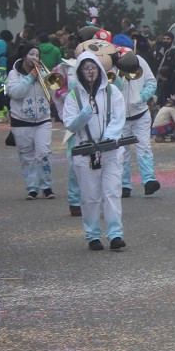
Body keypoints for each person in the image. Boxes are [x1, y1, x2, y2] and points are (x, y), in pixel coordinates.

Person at [62, 52, 127, 251]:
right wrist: (84, 115)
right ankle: (92, 235)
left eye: (93, 67)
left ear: (99, 69)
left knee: (112, 192)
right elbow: (70, 125)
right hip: (85, 151)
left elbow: (118, 117)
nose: (90, 71)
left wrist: (109, 137)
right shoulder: (73, 96)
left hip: (110, 149)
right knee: (90, 196)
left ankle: (115, 234)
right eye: (86, 68)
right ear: (80, 72)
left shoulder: (112, 91)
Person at [6, 46, 55, 200]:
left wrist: (43, 77)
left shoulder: (43, 72)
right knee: (27, 157)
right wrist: (30, 78)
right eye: (31, 54)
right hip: (21, 121)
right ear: (24, 56)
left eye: (37, 55)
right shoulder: (14, 74)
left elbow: (53, 89)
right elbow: (15, 93)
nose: (35, 57)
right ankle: (32, 188)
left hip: (43, 120)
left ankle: (47, 186)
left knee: (43, 153)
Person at [116, 53, 160, 198]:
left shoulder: (140, 60)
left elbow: (151, 82)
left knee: (144, 147)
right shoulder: (112, 65)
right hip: (120, 116)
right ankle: (124, 184)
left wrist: (141, 97)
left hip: (140, 113)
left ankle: (149, 180)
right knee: (122, 151)